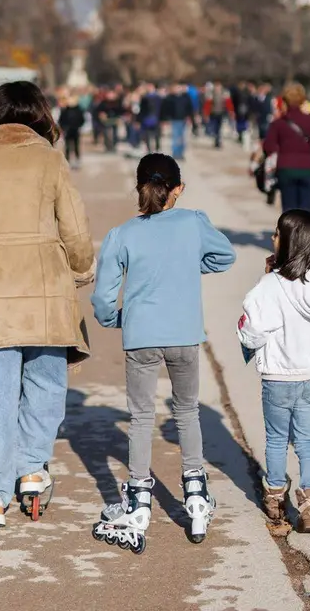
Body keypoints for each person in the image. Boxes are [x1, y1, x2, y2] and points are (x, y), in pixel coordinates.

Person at [0, 81, 94, 528]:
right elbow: (74, 227)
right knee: (46, 382)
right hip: (45, 284)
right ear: (39, 114)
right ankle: (31, 468)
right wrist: (81, 268)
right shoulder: (50, 159)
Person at [89, 154, 235, 552]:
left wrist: (116, 319)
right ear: (178, 189)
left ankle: (138, 499)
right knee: (187, 411)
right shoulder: (193, 223)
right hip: (184, 334)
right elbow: (225, 256)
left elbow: (102, 298)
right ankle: (196, 494)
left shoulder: (121, 234)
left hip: (141, 336)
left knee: (140, 417)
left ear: (138, 188)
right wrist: (187, 266)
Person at [238, 209, 310, 534]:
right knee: (308, 441)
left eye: (277, 234)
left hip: (279, 377)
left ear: (290, 242)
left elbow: (253, 330)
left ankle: (276, 498)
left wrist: (266, 277)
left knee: (277, 439)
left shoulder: (270, 285)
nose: (272, 238)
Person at [262, 83, 310, 213]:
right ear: (303, 100)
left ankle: (291, 226)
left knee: (289, 211)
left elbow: (268, 147)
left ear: (284, 101)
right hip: (309, 168)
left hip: (286, 168)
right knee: (307, 211)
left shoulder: (278, 123)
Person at [58, 90, 87, 169]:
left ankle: (77, 161)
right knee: (67, 146)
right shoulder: (65, 110)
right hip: (67, 131)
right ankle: (67, 161)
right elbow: (61, 120)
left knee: (76, 146)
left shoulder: (79, 110)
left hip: (76, 130)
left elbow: (82, 120)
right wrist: (64, 128)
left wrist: (78, 126)